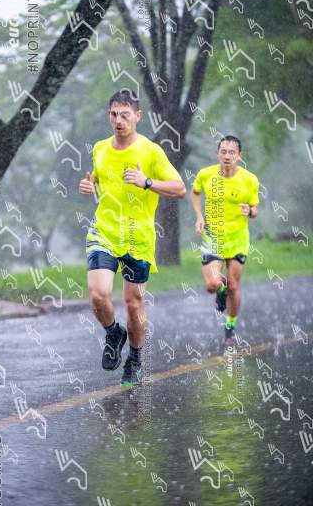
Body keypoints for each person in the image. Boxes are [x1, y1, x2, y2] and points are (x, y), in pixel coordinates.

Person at [79, 90, 186, 386]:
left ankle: (135, 358)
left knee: (134, 303)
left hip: (138, 237)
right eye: (114, 114)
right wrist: (89, 186)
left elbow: (179, 188)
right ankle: (114, 333)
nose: (119, 120)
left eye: (125, 115)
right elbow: (99, 181)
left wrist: (146, 182)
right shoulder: (100, 148)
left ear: (138, 116)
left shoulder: (151, 151)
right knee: (98, 294)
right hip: (104, 232)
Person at [190, 135, 259, 344]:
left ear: (239, 155)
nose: (227, 156)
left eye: (232, 152)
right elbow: (195, 193)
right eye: (223, 152)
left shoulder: (250, 179)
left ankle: (230, 325)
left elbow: (255, 209)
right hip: (213, 238)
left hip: (238, 240)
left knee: (233, 286)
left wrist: (249, 211)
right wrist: (199, 217)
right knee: (212, 284)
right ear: (217, 153)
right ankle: (220, 293)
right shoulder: (205, 174)